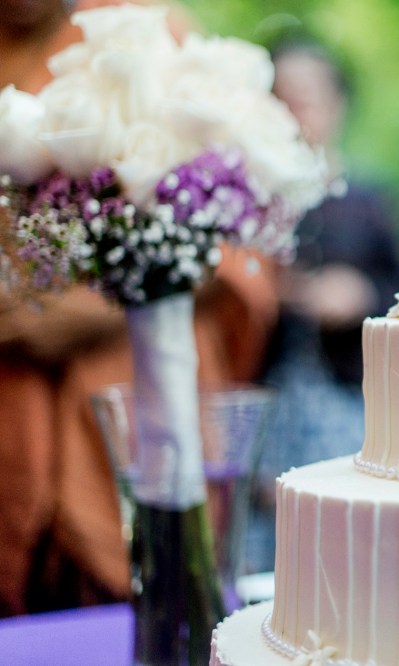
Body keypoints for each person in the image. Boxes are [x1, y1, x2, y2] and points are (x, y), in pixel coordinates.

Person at [0, 0, 279, 615]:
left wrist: (91, 312)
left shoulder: (142, 32)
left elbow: (229, 246)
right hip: (10, 402)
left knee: (154, 593)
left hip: (137, 379)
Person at [246, 37, 399, 573]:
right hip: (265, 398)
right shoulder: (240, 199)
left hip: (348, 400)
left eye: (307, 97)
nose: (295, 113)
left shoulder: (370, 200)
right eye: (280, 99)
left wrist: (360, 294)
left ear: (338, 104)